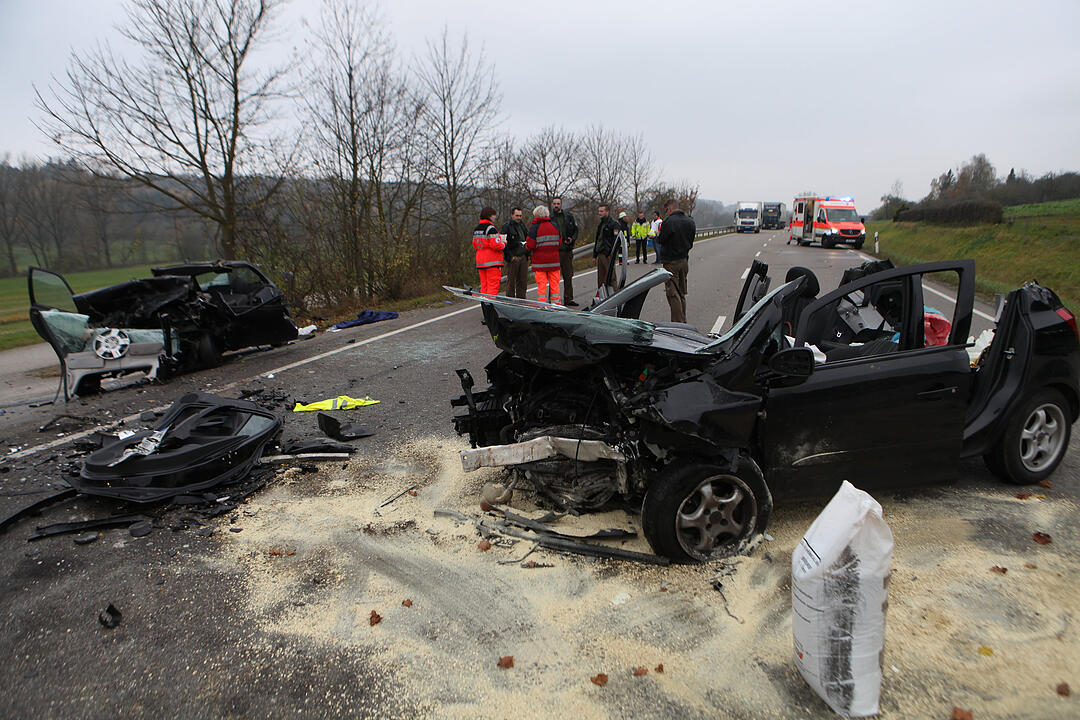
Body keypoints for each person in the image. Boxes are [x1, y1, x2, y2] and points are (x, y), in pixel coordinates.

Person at [657, 199, 695, 323]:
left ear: (669, 209)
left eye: (666, 210)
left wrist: (658, 235)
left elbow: (661, 240)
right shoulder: (690, 221)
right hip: (684, 260)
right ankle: (683, 320)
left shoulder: (669, 221)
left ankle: (678, 323)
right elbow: (691, 241)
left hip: (671, 262)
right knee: (682, 292)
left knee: (673, 294)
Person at [526, 205, 562, 304]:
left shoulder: (535, 228)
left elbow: (530, 244)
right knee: (554, 285)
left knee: (541, 286)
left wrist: (525, 247)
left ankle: (542, 305)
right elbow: (559, 242)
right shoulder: (554, 225)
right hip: (554, 261)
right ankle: (556, 304)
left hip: (540, 262)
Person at [550, 196, 579, 306]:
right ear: (552, 205)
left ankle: (568, 298)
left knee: (568, 276)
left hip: (566, 251)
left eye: (558, 203)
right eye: (554, 204)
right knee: (554, 277)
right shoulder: (550, 218)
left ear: (561, 205)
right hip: (555, 251)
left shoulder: (568, 216)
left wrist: (572, 239)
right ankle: (554, 299)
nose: (556, 205)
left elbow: (576, 230)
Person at [472, 206, 505, 295]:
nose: (495, 217)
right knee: (493, 286)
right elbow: (496, 245)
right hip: (492, 261)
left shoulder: (477, 229)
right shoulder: (490, 228)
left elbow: (474, 245)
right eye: (494, 215)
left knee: (484, 286)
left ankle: (485, 306)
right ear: (490, 216)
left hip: (480, 261)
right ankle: (490, 306)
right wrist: (504, 244)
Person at [502, 207, 529, 298]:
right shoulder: (506, 226)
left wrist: (527, 254)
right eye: (517, 215)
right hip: (513, 258)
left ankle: (521, 301)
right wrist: (510, 257)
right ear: (512, 215)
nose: (519, 218)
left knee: (522, 281)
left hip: (523, 256)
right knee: (511, 282)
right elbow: (503, 244)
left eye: (520, 216)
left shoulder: (522, 226)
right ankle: (510, 302)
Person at [593, 204, 620, 292]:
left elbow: (616, 241)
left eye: (601, 211)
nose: (599, 213)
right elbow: (598, 240)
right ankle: (602, 297)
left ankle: (616, 296)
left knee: (611, 277)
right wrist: (594, 255)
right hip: (600, 253)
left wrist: (611, 253)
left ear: (607, 212)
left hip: (608, 254)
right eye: (599, 211)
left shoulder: (614, 224)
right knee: (600, 278)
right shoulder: (601, 224)